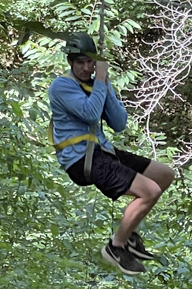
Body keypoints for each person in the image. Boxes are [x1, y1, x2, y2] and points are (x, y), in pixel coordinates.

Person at [48, 32, 174, 275]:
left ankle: (128, 235)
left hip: (102, 151)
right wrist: (101, 81)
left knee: (164, 175)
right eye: (80, 62)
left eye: (90, 62)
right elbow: (90, 114)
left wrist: (104, 86)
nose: (86, 68)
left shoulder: (97, 84)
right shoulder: (61, 86)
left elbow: (118, 123)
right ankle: (116, 247)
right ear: (70, 63)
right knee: (150, 191)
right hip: (81, 160)